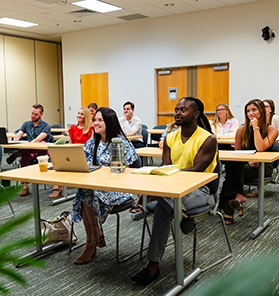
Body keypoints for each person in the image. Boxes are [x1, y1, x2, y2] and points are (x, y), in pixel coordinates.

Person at [131, 97, 217, 285]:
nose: (177, 113)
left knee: (162, 202)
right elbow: (165, 168)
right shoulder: (170, 137)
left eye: (183, 110)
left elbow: (196, 171)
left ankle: (153, 266)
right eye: (176, 109)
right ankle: (182, 217)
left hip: (197, 190)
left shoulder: (207, 139)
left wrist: (165, 175)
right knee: (164, 201)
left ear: (196, 114)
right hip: (171, 191)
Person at [71, 107, 139, 265]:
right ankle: (93, 238)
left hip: (118, 189)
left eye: (100, 120)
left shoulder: (120, 142)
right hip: (95, 187)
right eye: (95, 120)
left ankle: (92, 240)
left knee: (85, 193)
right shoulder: (92, 142)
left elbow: (125, 173)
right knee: (85, 191)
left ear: (110, 122)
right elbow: (85, 164)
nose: (96, 123)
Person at [219, 99, 278, 224]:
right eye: (248, 111)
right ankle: (238, 195)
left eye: (254, 110)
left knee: (231, 176)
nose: (250, 113)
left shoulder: (271, 130)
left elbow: (260, 147)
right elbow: (237, 154)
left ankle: (229, 208)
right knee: (232, 165)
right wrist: (249, 159)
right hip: (246, 163)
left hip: (264, 165)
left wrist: (256, 127)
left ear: (261, 111)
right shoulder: (241, 130)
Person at [6, 104, 54, 197]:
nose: (33, 116)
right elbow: (19, 135)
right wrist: (16, 138)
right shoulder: (26, 124)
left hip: (42, 152)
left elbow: (38, 140)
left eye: (36, 114)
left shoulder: (46, 126)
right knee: (26, 156)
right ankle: (25, 186)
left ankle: (18, 154)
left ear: (41, 114)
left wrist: (27, 146)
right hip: (29, 151)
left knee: (42, 143)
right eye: (32, 113)